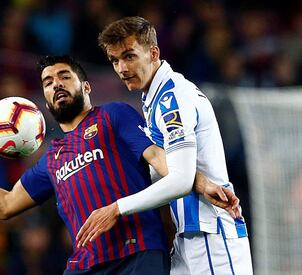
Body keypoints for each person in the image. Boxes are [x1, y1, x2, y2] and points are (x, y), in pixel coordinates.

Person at [0, 55, 237, 275]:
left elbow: (157, 158)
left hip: (137, 255)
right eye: (47, 82)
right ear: (44, 100)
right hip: (84, 265)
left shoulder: (113, 116)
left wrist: (202, 183)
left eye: (64, 76)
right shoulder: (52, 158)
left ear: (86, 87)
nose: (55, 84)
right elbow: (4, 204)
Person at [76, 17, 253, 275]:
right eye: (115, 60)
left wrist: (117, 208)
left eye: (129, 56)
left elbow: (180, 180)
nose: (122, 68)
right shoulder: (154, 98)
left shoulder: (173, 98)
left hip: (212, 237)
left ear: (153, 53)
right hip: (190, 237)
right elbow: (166, 169)